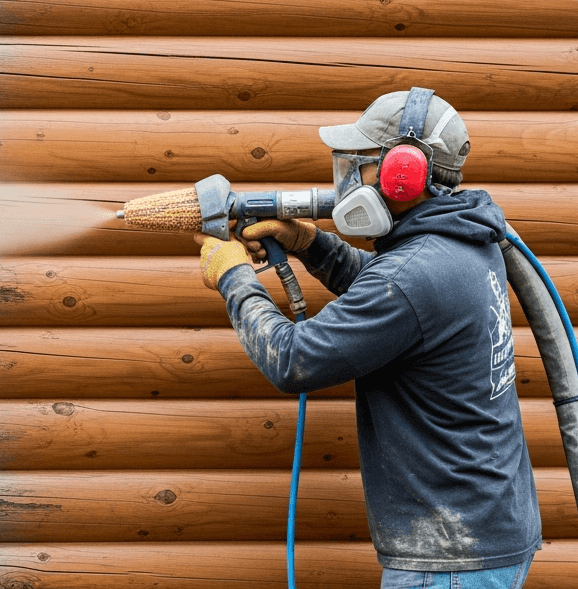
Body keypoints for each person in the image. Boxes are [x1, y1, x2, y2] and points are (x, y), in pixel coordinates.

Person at [195, 88, 541, 588]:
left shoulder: (414, 273)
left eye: (362, 161)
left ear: (404, 173)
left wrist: (233, 277)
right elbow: (390, 291)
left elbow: (293, 359)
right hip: (484, 527)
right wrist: (309, 242)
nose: (348, 177)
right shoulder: (461, 238)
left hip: (449, 558)